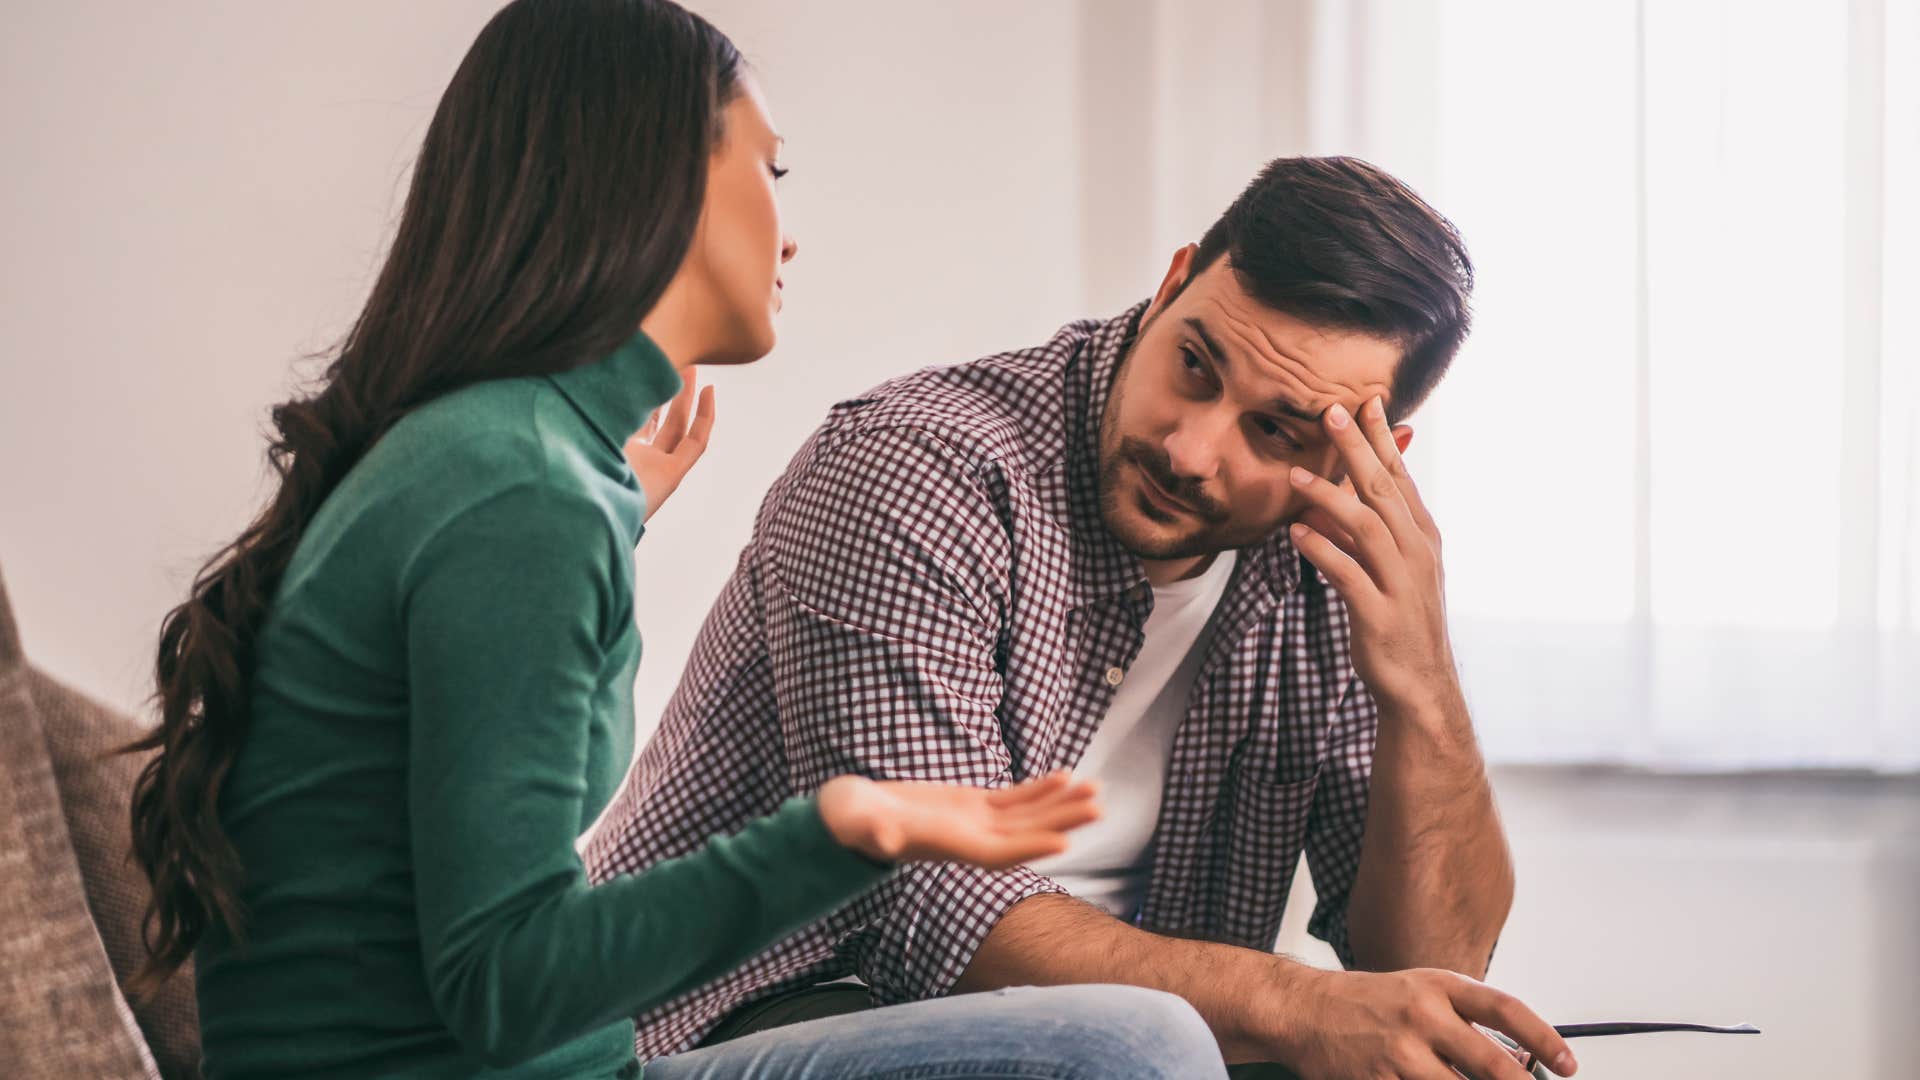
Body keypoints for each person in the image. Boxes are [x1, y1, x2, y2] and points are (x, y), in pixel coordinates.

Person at [123, 1, 1225, 1077]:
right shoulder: (518, 491)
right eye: (771, 169)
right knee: (1139, 1046)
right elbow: (509, 989)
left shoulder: (505, 465)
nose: (791, 230)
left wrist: (598, 526)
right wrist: (843, 830)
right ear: (655, 178)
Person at [584, 155, 1579, 1080]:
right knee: (1144, 1041)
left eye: (1272, 429)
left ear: (1373, 453)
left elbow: (1431, 970)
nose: (1192, 449)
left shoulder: (1333, 571)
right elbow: (928, 918)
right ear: (1175, 281)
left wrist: (1424, 685)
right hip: (711, 1032)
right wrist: (1293, 1005)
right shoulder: (917, 472)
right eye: (1195, 363)